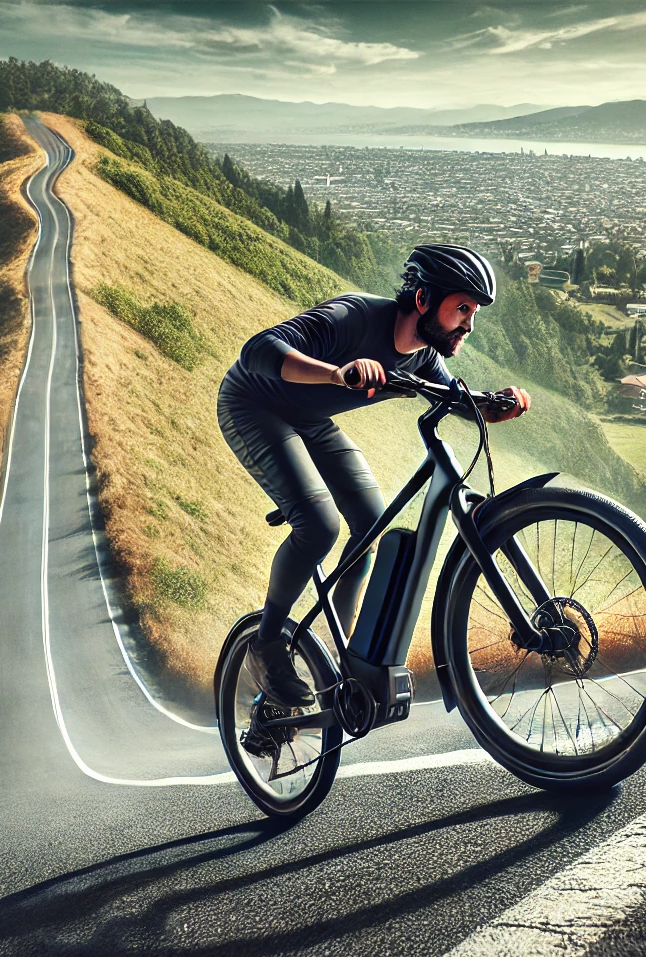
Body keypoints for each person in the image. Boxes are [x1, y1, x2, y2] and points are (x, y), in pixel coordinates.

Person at [217, 243, 530, 706]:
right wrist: (337, 374)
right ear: (423, 300)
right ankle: (265, 646)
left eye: (474, 312)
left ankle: (343, 653)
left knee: (371, 523)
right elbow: (256, 352)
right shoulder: (354, 317)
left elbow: (457, 400)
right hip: (252, 406)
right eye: (462, 307)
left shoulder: (422, 357)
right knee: (320, 524)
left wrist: (496, 405)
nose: (469, 323)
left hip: (307, 419)